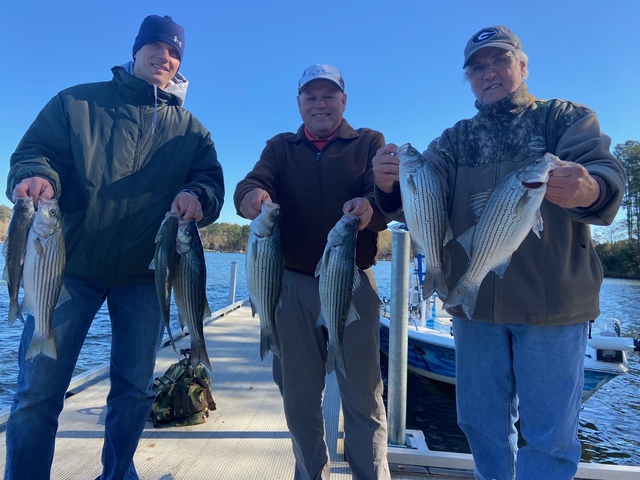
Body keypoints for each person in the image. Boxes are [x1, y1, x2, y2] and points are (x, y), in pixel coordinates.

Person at [372, 26, 625, 480]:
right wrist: (389, 184)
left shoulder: (565, 119)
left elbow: (605, 173)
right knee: (481, 425)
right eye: (477, 67)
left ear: (522, 66)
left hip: (555, 307)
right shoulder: (453, 140)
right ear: (468, 79)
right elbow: (422, 198)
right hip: (476, 308)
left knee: (549, 438)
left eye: (499, 61)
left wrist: (589, 186)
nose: (489, 73)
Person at [4, 15, 225, 480]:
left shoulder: (192, 131)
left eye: (174, 51)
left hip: (145, 279)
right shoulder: (76, 103)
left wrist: (198, 197)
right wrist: (36, 177)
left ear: (179, 62)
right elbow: (33, 153)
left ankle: (118, 472)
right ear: (137, 49)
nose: (164, 56)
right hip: (68, 268)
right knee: (36, 393)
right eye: (156, 46)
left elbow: (209, 182)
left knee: (134, 391)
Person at [234, 64, 391, 480]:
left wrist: (369, 209)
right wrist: (253, 198)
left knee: (363, 397)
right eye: (311, 96)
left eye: (329, 95)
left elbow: (384, 197)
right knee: (299, 397)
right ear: (299, 103)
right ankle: (309, 473)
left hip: (352, 281)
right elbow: (250, 184)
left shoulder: (368, 142)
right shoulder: (280, 147)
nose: (320, 103)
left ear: (343, 100)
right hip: (292, 286)